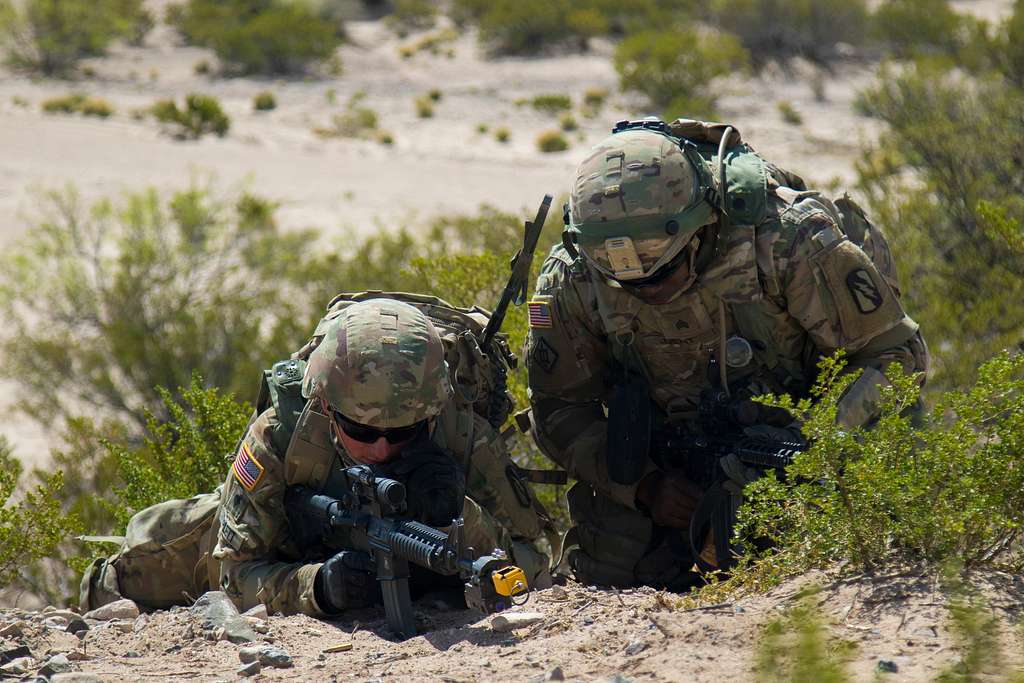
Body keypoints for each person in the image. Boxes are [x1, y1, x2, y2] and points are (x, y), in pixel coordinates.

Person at [524, 118, 930, 590]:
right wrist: (645, 487)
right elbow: (559, 406)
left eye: (656, 253)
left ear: (701, 225)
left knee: (861, 549)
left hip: (808, 445)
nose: (637, 277)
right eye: (611, 263)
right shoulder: (573, 278)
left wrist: (808, 453)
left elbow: (896, 355)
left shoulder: (786, 241)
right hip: (674, 462)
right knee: (614, 563)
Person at [82, 296, 554, 616]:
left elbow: (536, 557)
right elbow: (235, 572)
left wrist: (462, 520)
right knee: (144, 571)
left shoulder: (459, 433)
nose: (383, 449)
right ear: (327, 408)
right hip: (290, 546)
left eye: (405, 433)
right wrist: (317, 587)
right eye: (361, 431)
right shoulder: (283, 433)